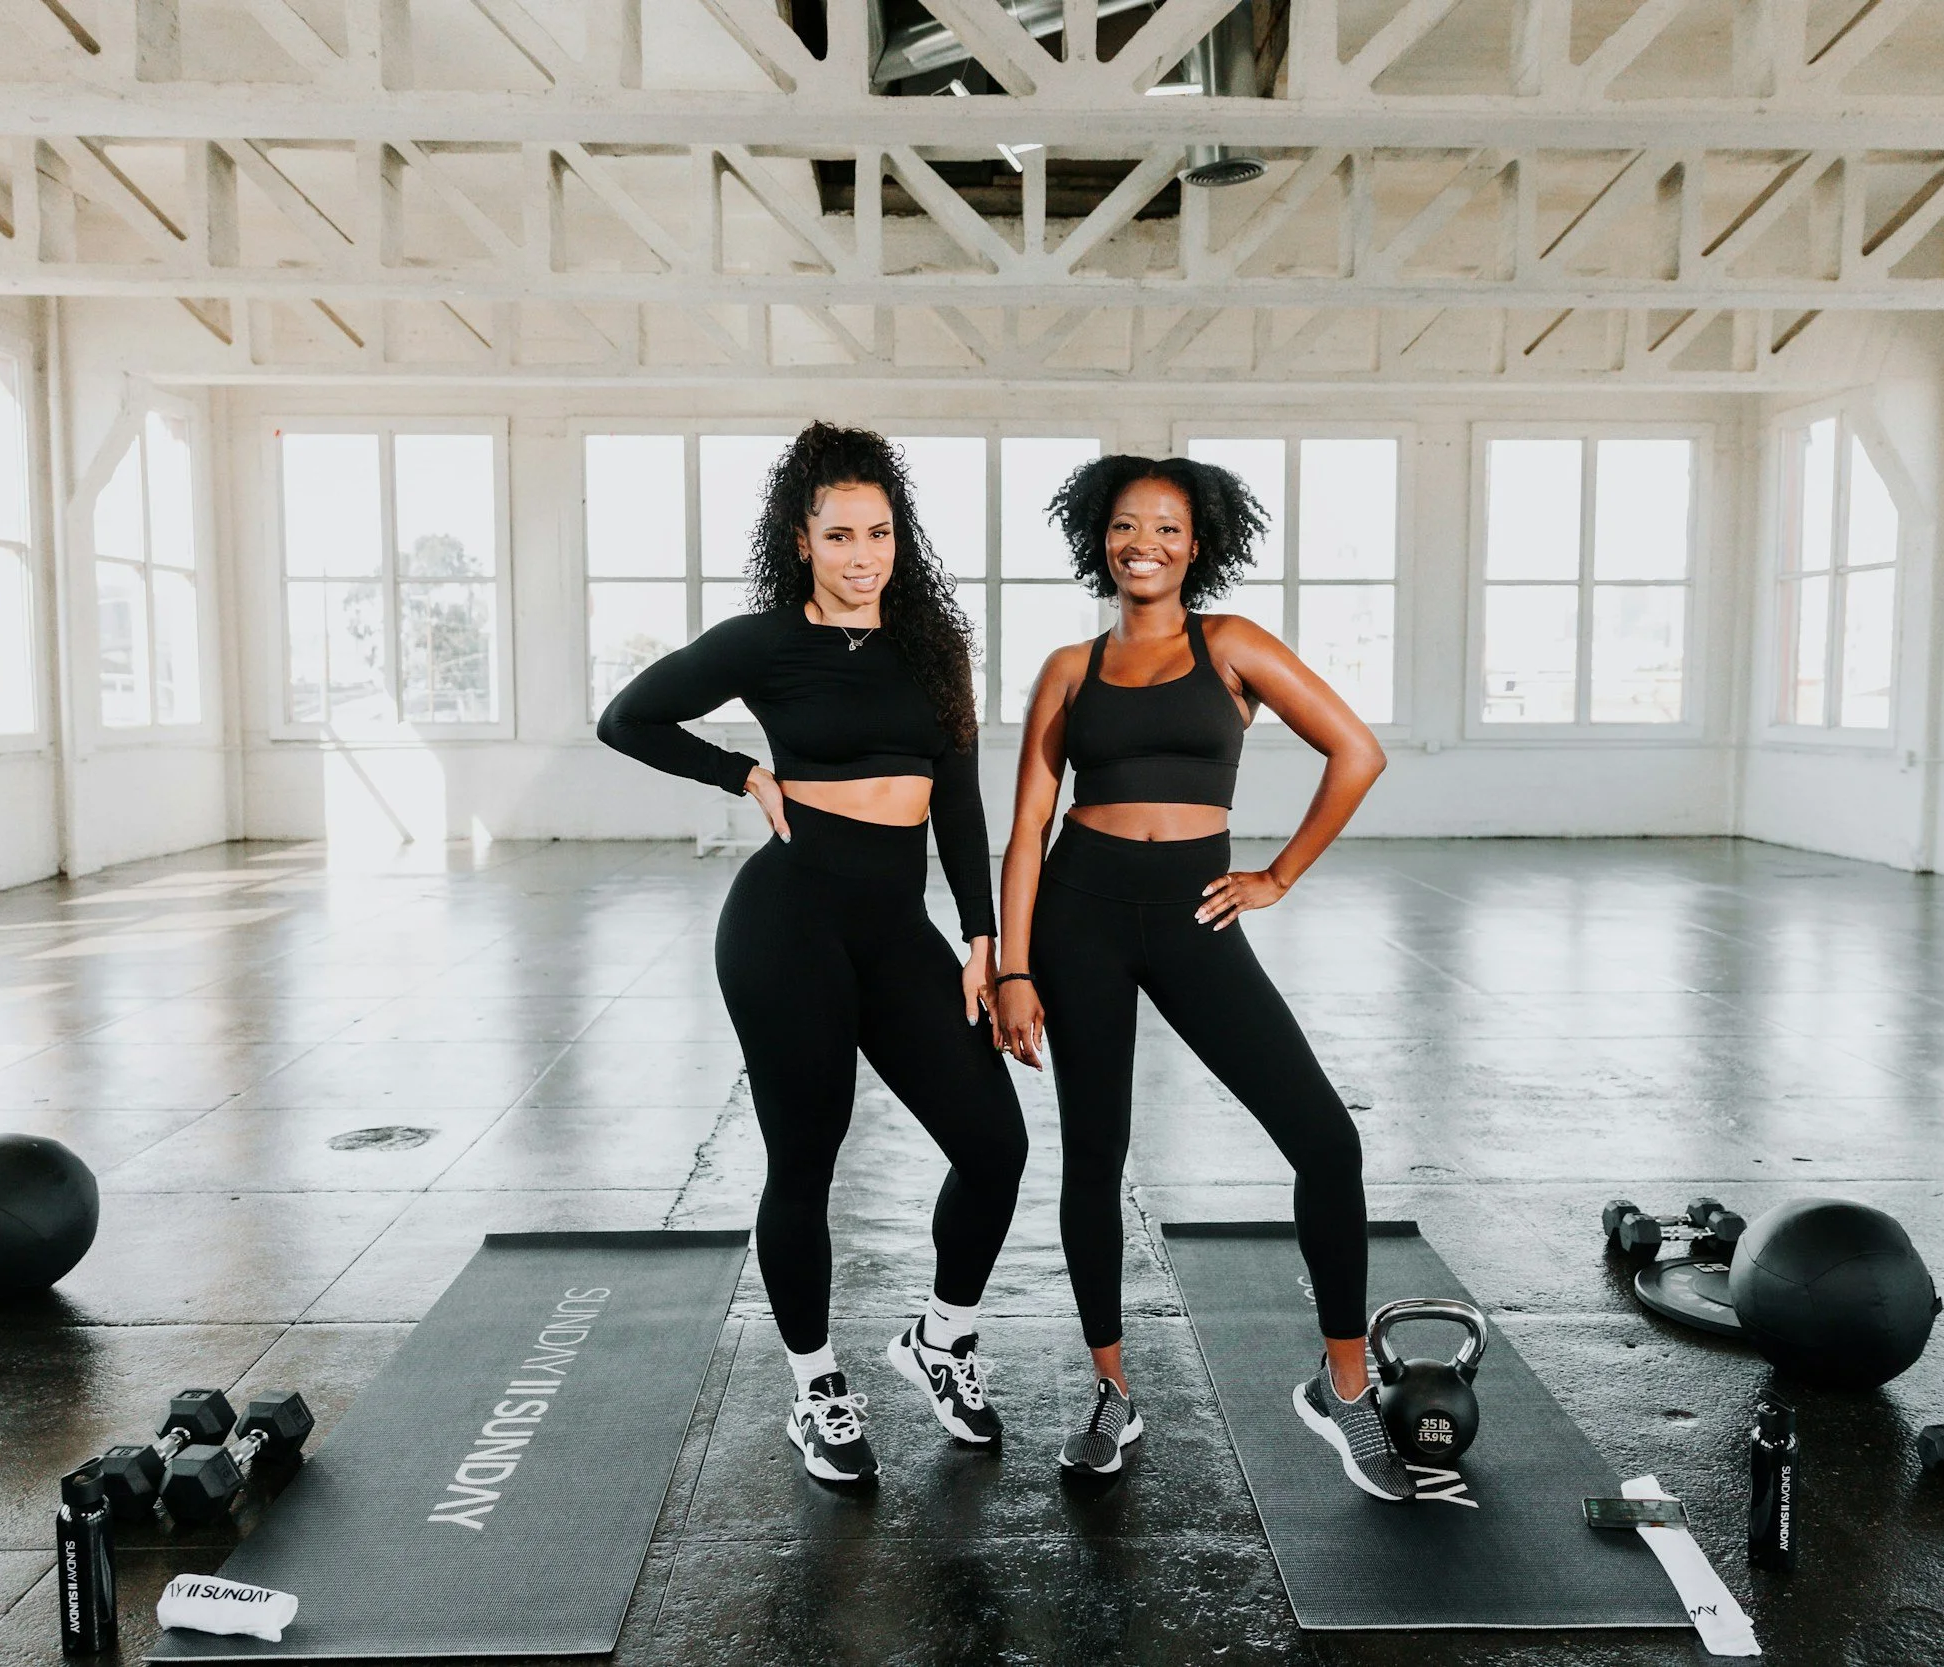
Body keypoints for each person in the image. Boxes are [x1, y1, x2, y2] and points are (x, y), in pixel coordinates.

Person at [599, 422, 1026, 1485]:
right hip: (784, 928)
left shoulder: (936, 647)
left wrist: (983, 937)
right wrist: (740, 771)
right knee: (806, 1160)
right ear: (801, 540)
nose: (862, 554)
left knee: (994, 1142)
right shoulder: (761, 641)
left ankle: (940, 1337)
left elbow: (961, 807)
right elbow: (628, 718)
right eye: (839, 534)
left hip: (897, 932)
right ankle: (817, 1386)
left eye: (879, 532)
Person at [992, 454, 1408, 1498]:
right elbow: (1028, 827)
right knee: (1093, 1155)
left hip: (1191, 905)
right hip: (1079, 909)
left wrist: (1276, 873)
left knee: (1325, 1138)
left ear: (1197, 543)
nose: (1146, 543)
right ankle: (1108, 1389)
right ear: (1100, 536)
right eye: (1127, 525)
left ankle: (1345, 1388)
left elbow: (1356, 750)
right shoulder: (1067, 667)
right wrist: (1013, 965)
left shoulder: (1228, 644)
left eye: (1168, 529)